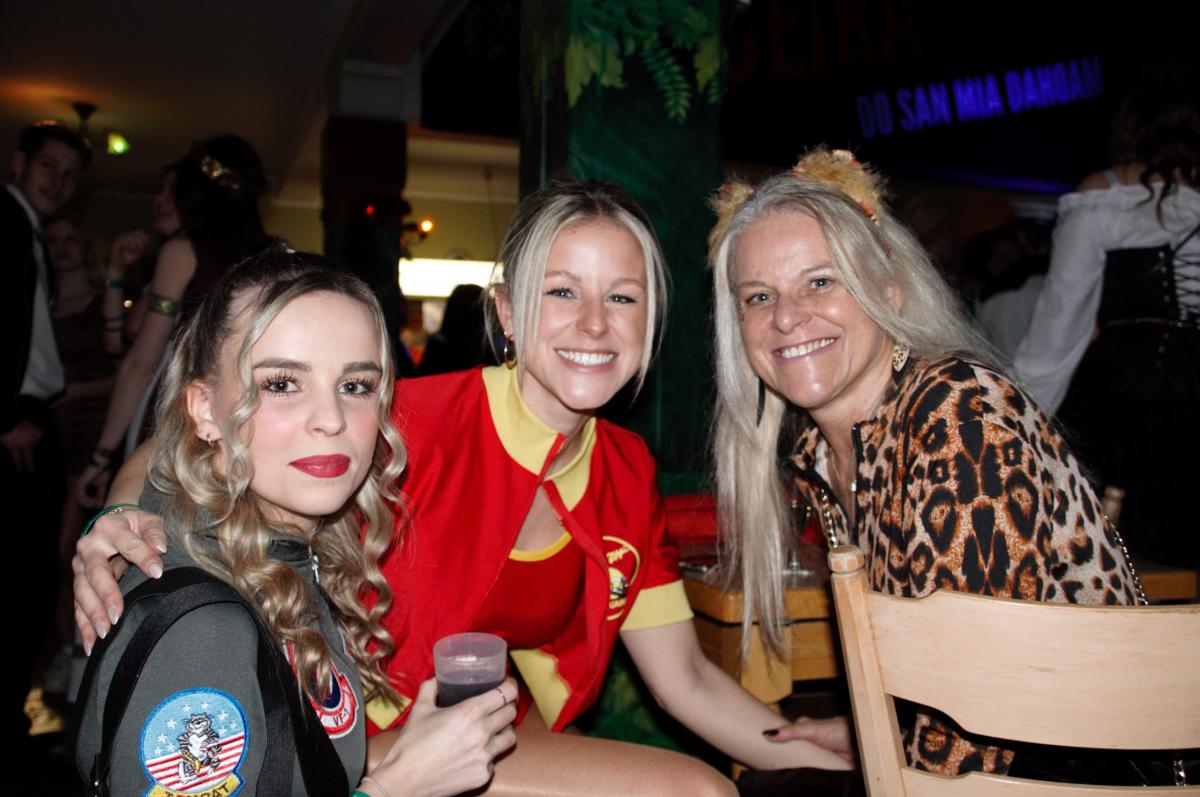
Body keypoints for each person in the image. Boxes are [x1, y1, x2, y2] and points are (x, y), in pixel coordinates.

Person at [75, 178, 850, 792]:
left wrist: (843, 757)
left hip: (488, 735)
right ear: (507, 310)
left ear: (651, 321)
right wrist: (112, 523)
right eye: (561, 291)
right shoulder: (403, 415)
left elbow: (686, 679)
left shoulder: (624, 468)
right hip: (361, 735)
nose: (594, 323)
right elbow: (184, 438)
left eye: (622, 297)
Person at [708, 149, 1139, 778]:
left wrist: (894, 755)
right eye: (758, 296)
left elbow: (978, 712)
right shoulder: (821, 454)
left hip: (1084, 777)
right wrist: (875, 731)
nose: (786, 316)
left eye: (821, 281)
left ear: (888, 290)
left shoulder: (959, 418)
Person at [75, 250, 517, 796]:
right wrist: (399, 787)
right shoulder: (204, 630)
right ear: (205, 410)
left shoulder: (286, 552)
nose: (331, 420)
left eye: (356, 386)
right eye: (282, 384)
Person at [1013, 87, 1200, 570]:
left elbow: (1058, 330)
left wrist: (1014, 424)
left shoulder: (1108, 197)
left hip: (1126, 405)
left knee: (1115, 569)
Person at [77, 135, 270, 506]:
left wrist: (102, 455)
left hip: (182, 412)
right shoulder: (277, 254)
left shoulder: (183, 252)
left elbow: (141, 363)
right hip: (248, 414)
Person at [1, 121, 89, 760]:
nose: (57, 181)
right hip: (17, 421)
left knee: (31, 575)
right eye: (47, 166)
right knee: (22, 577)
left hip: (34, 416)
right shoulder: (5, 222)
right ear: (19, 162)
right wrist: (2, 415)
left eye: (69, 174)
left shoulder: (24, 229)